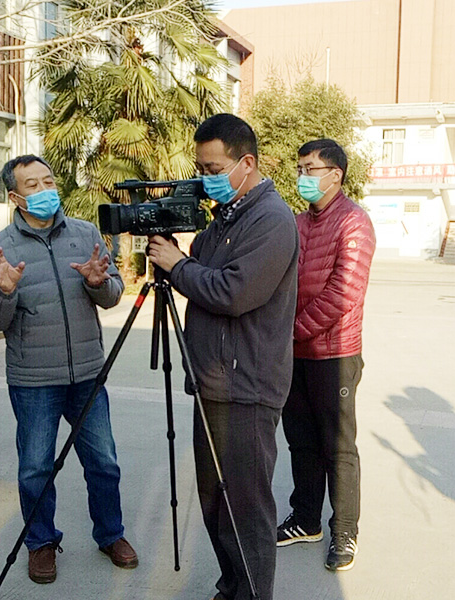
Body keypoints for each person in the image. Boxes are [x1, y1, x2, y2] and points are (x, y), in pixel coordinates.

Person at [147, 114, 299, 600]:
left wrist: (178, 265)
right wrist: (174, 253)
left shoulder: (271, 219)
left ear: (246, 163)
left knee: (246, 511)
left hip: (247, 386)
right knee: (215, 503)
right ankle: (232, 587)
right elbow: (199, 271)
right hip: (213, 380)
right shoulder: (226, 216)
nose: (205, 178)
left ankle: (252, 594)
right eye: (200, 168)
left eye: (213, 169)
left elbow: (232, 292)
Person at [0, 155, 137, 585]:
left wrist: (98, 283)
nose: (45, 190)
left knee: (104, 462)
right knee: (35, 468)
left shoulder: (85, 234)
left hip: (87, 374)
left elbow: (113, 293)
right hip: (33, 381)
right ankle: (41, 542)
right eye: (33, 185)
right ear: (15, 197)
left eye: (48, 180)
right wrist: (5, 292)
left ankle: (110, 534)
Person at [275, 139, 375, 572]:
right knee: (301, 441)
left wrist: (292, 331)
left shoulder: (354, 222)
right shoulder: (297, 222)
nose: (303, 177)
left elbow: (343, 293)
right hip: (294, 354)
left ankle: (345, 530)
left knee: (338, 446)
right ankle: (305, 519)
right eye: (299, 168)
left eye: (311, 169)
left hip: (334, 355)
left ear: (336, 174)